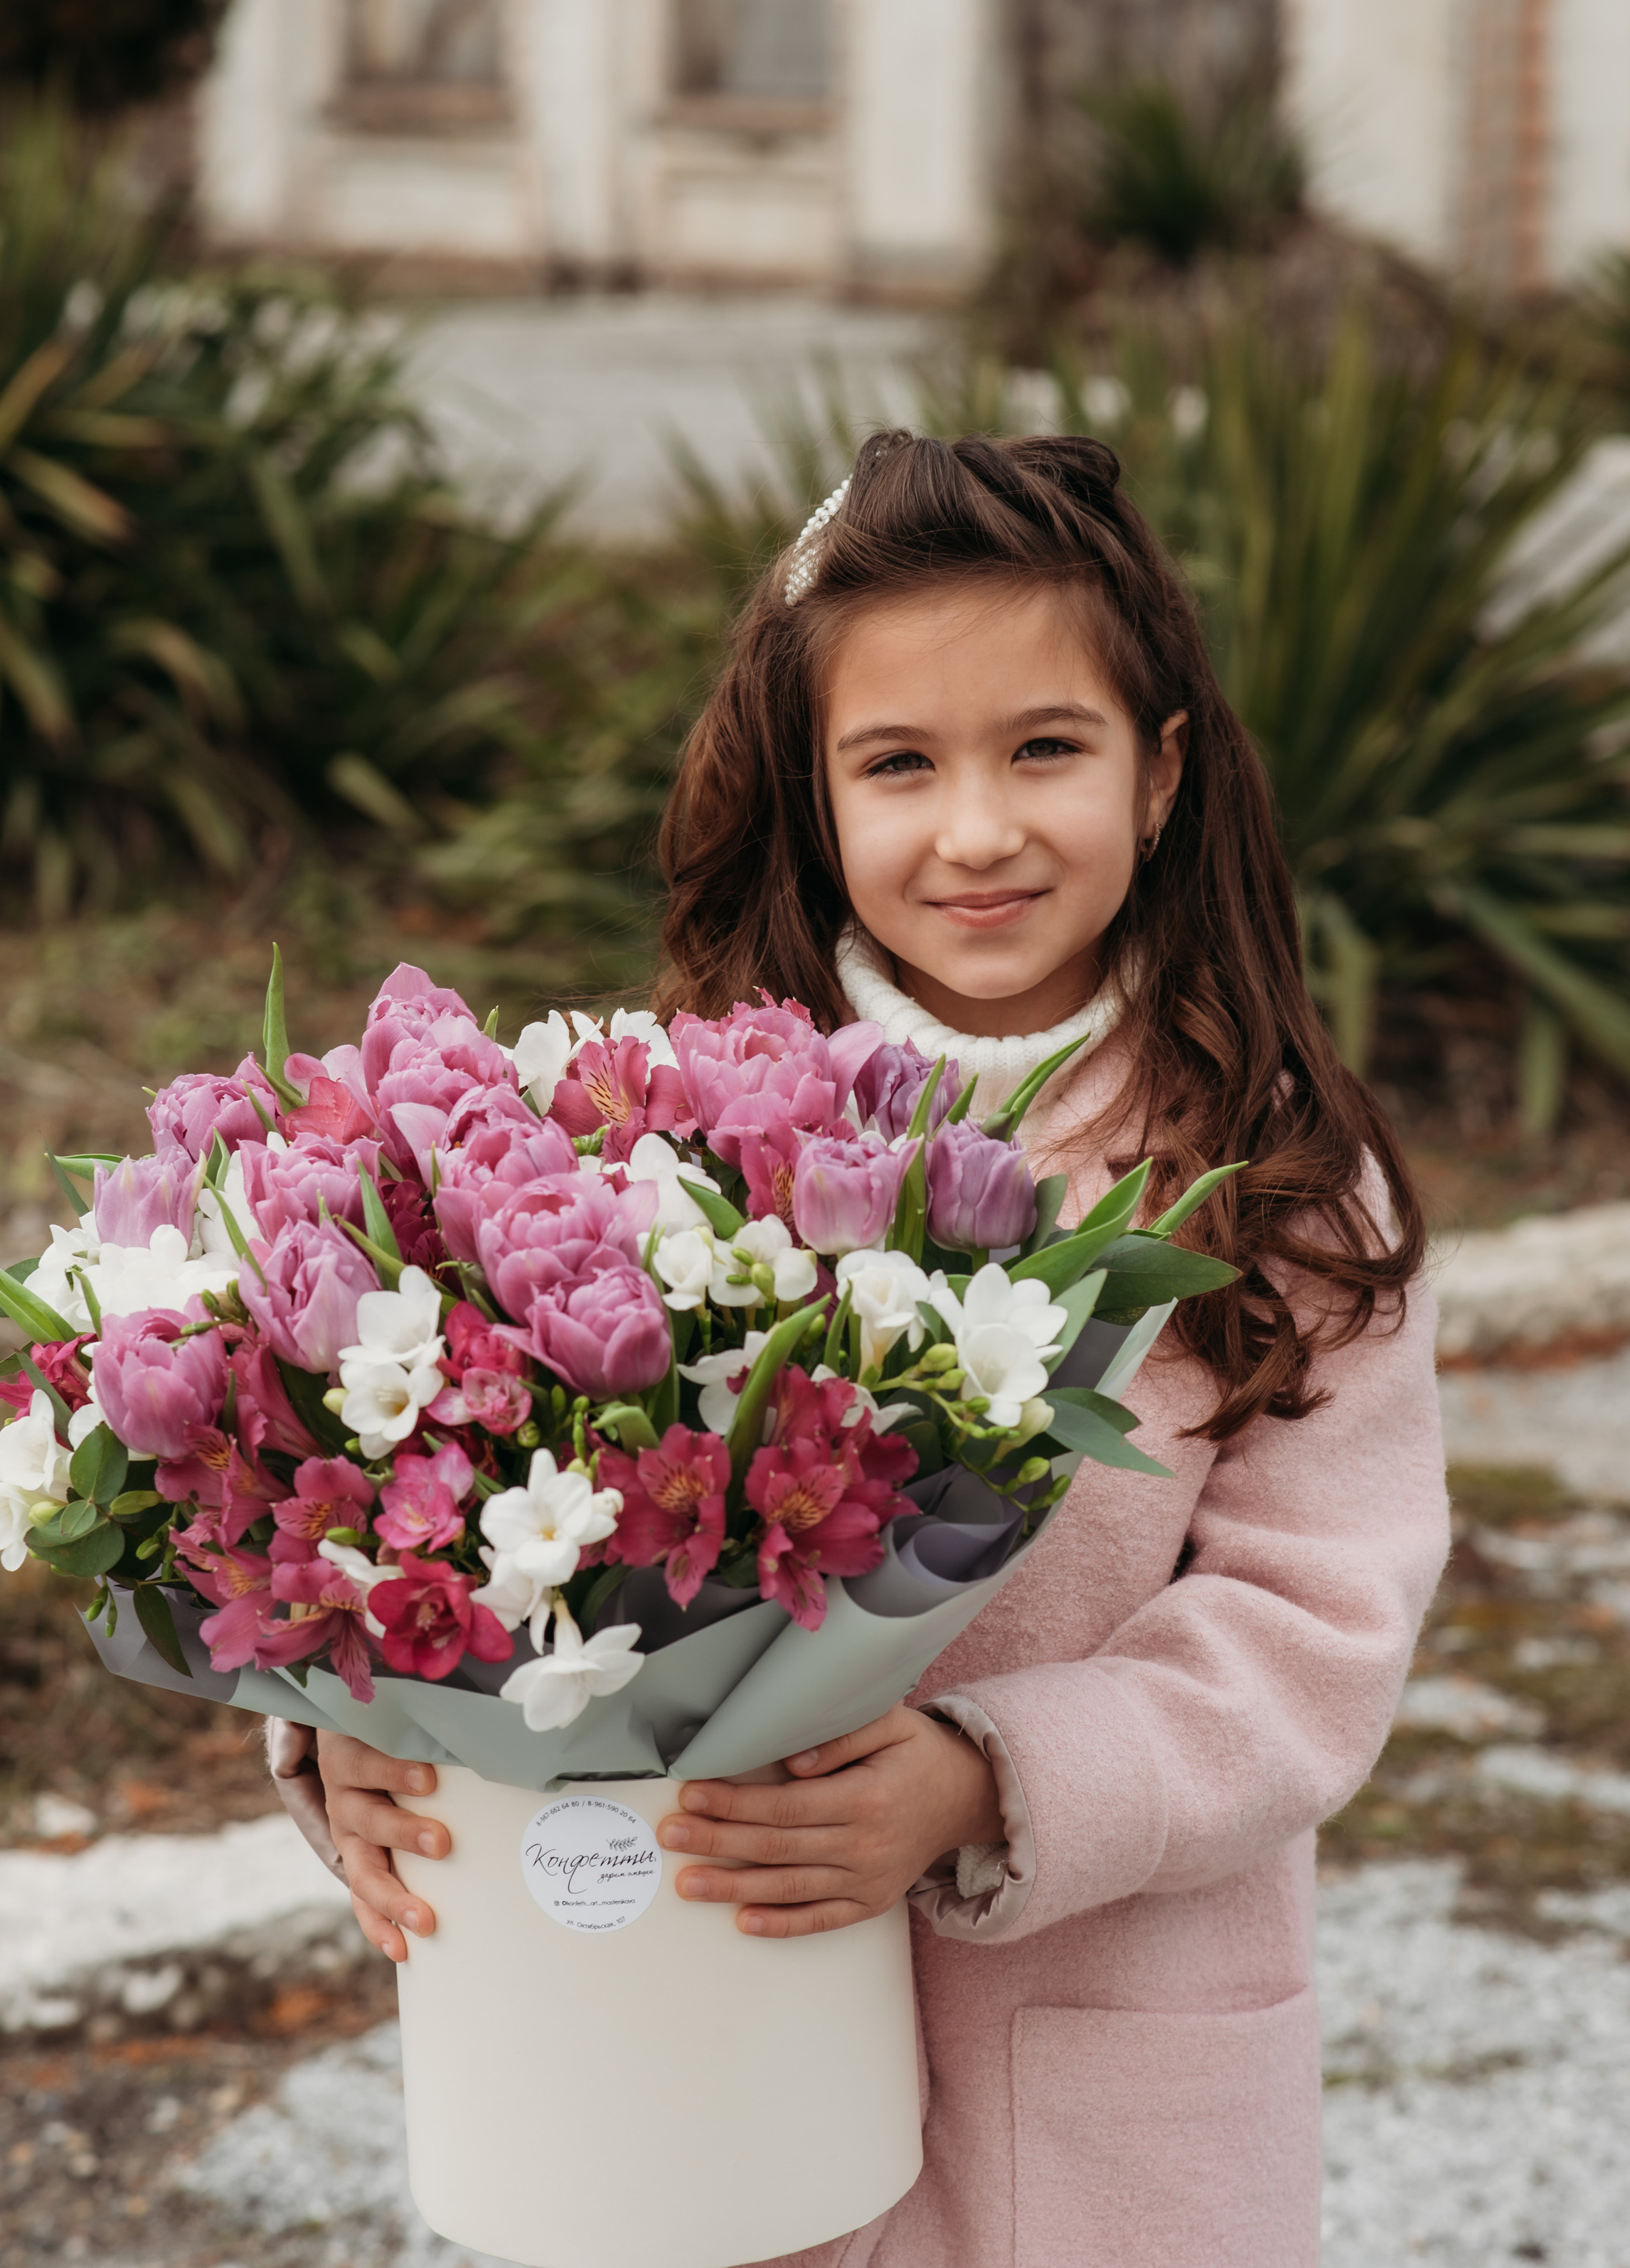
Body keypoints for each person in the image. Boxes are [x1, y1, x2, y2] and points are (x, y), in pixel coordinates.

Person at [272, 429, 1449, 2268]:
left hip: (1101, 2090)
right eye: (898, 762)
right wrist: (351, 1741)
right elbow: (468, 1514)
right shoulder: (662, 1142)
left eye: (1042, 747)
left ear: (1160, 775)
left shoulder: (1283, 1180)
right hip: (706, 2051)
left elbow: (1317, 1632)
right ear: (816, 797)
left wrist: (992, 1776)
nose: (974, 829)